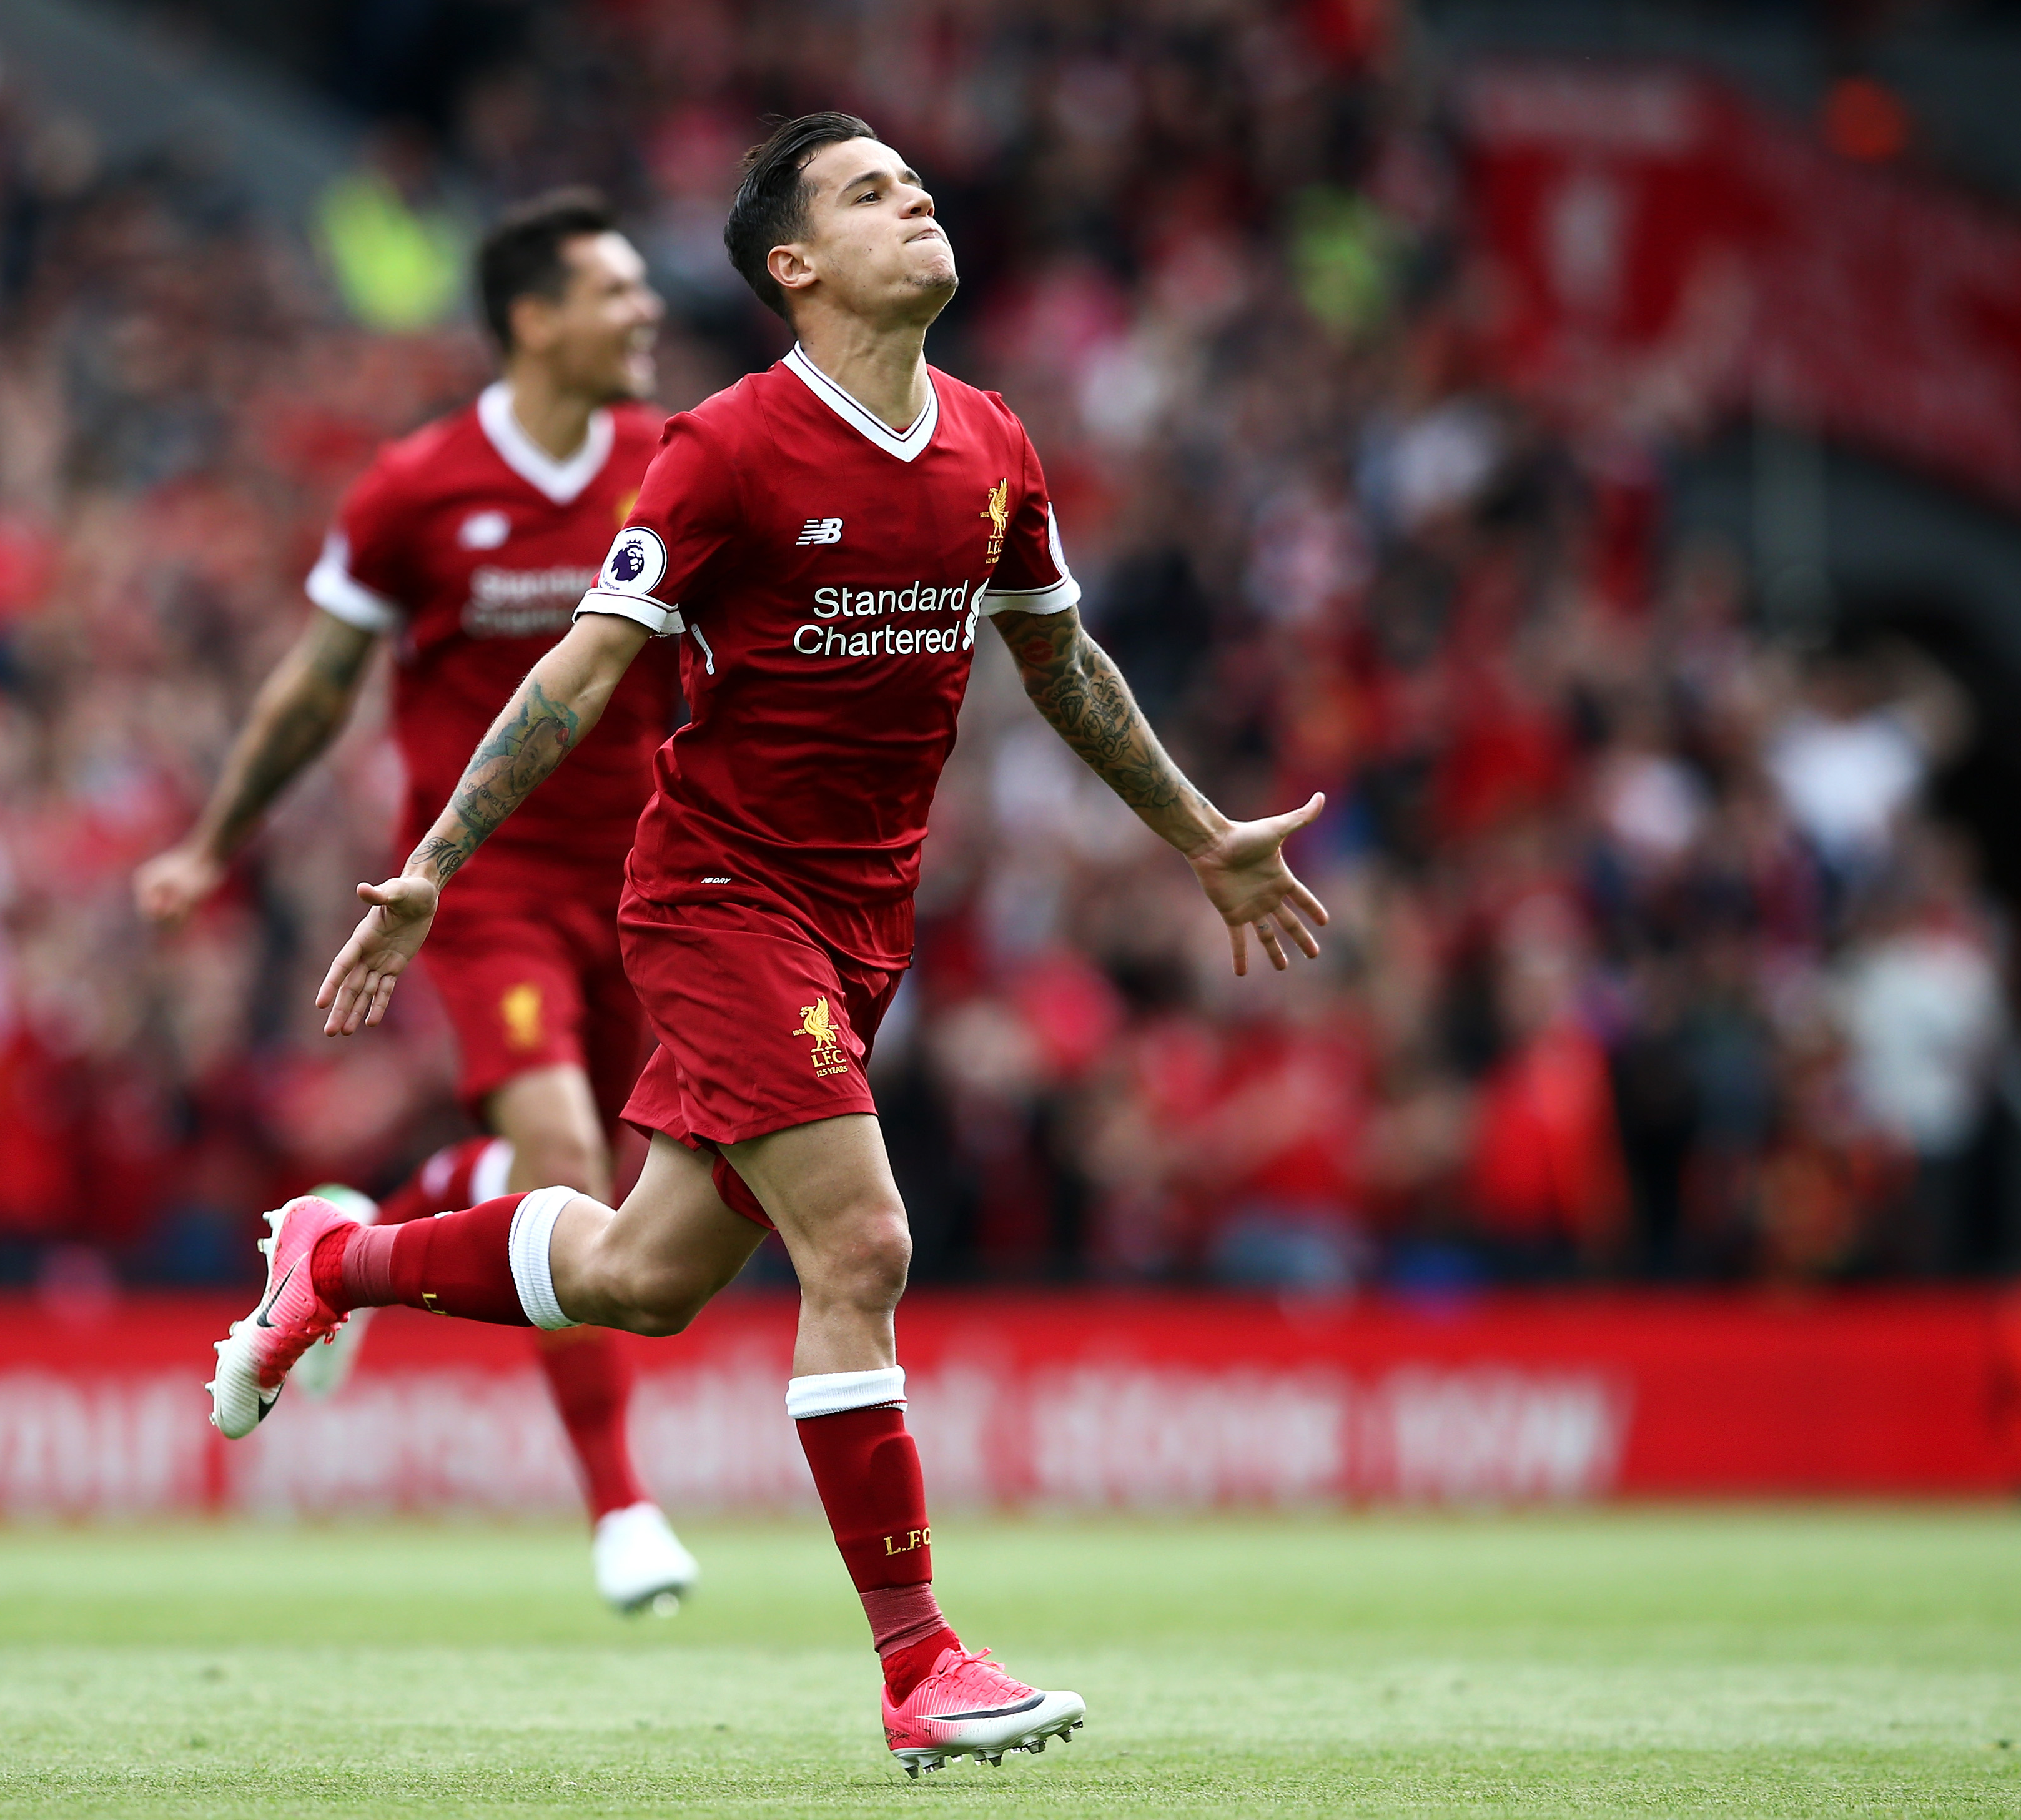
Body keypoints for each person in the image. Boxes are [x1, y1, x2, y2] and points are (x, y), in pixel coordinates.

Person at [207, 115, 1330, 1775]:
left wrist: (1203, 836)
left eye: (921, 185)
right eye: (873, 193)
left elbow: (1065, 668)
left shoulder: (994, 446)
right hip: (720, 902)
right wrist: (439, 859)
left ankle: (338, 1260)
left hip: (861, 926)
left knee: (639, 1278)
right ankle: (918, 1660)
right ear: (792, 268)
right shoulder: (727, 450)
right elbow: (585, 668)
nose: (921, 202)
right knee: (860, 1249)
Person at [135, 190, 697, 1615]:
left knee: (599, 1199)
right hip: (486, 877)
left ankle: (348, 1240)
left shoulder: (671, 463)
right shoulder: (416, 488)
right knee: (563, 1161)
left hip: (646, 881)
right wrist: (211, 844)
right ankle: (621, 1509)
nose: (645, 313)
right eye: (615, 290)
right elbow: (317, 683)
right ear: (534, 317)